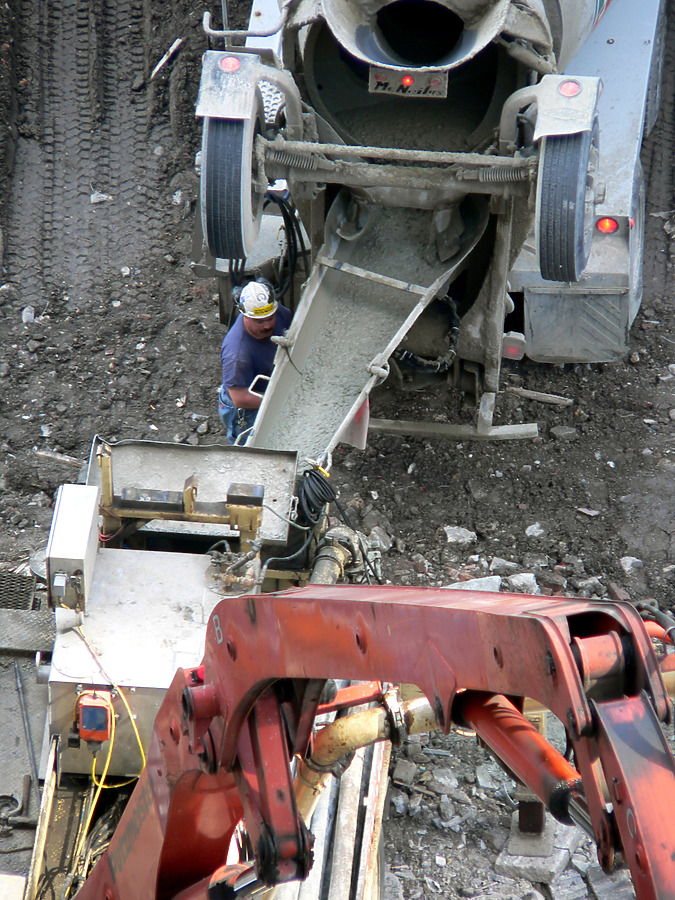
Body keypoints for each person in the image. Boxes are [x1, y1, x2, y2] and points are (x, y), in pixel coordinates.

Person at [218, 280, 292, 444]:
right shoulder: (236, 353)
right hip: (246, 405)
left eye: (270, 318)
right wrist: (280, 400)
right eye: (259, 321)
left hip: (266, 387)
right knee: (250, 445)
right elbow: (239, 397)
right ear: (246, 316)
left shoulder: (279, 312)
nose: (267, 325)